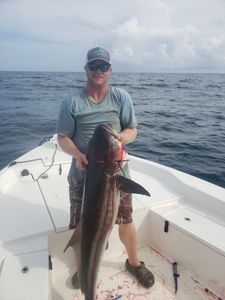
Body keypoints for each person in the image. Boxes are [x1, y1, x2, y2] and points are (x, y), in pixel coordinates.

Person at [56, 47, 154, 289]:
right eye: (93, 66)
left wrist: (119, 139)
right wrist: (78, 153)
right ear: (86, 69)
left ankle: (133, 262)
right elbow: (62, 137)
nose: (98, 71)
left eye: (102, 66)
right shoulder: (71, 101)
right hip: (82, 175)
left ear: (110, 70)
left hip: (116, 173)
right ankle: (84, 268)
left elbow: (132, 129)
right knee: (80, 226)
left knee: (126, 220)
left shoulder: (121, 97)